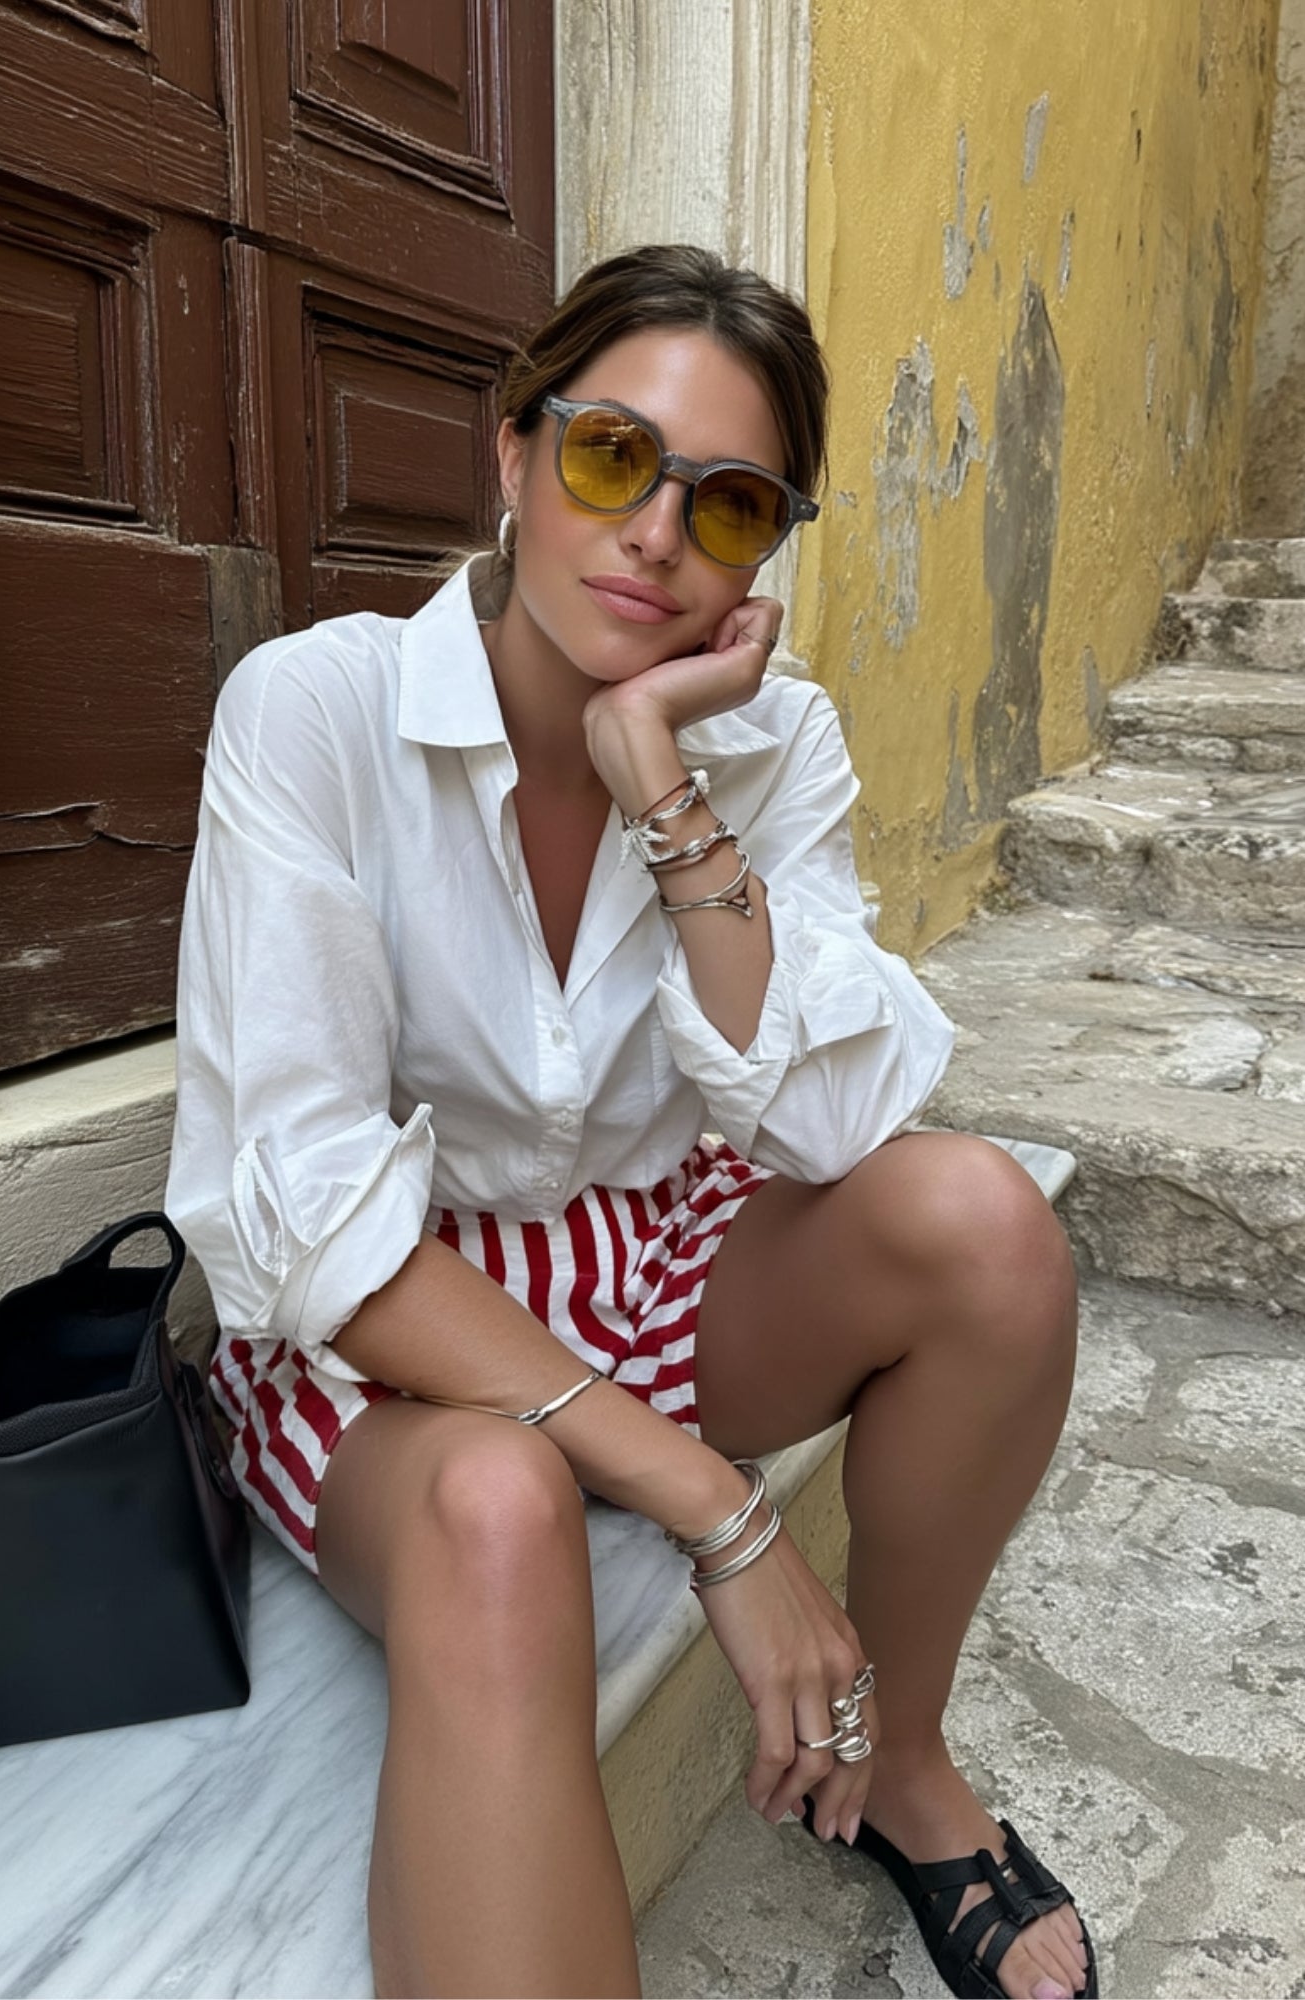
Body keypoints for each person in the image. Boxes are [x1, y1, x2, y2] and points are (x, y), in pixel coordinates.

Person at [165, 244, 1096, 2000]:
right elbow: (302, 1207)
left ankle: (898, 1769)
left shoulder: (776, 742)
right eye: (610, 459)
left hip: (656, 1252)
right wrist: (722, 1519)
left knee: (986, 1231)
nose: (658, 535)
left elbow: (827, 1116)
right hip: (394, 1314)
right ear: (510, 452)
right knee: (501, 1510)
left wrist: (658, 772)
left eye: (729, 505)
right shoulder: (316, 711)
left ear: (763, 551)